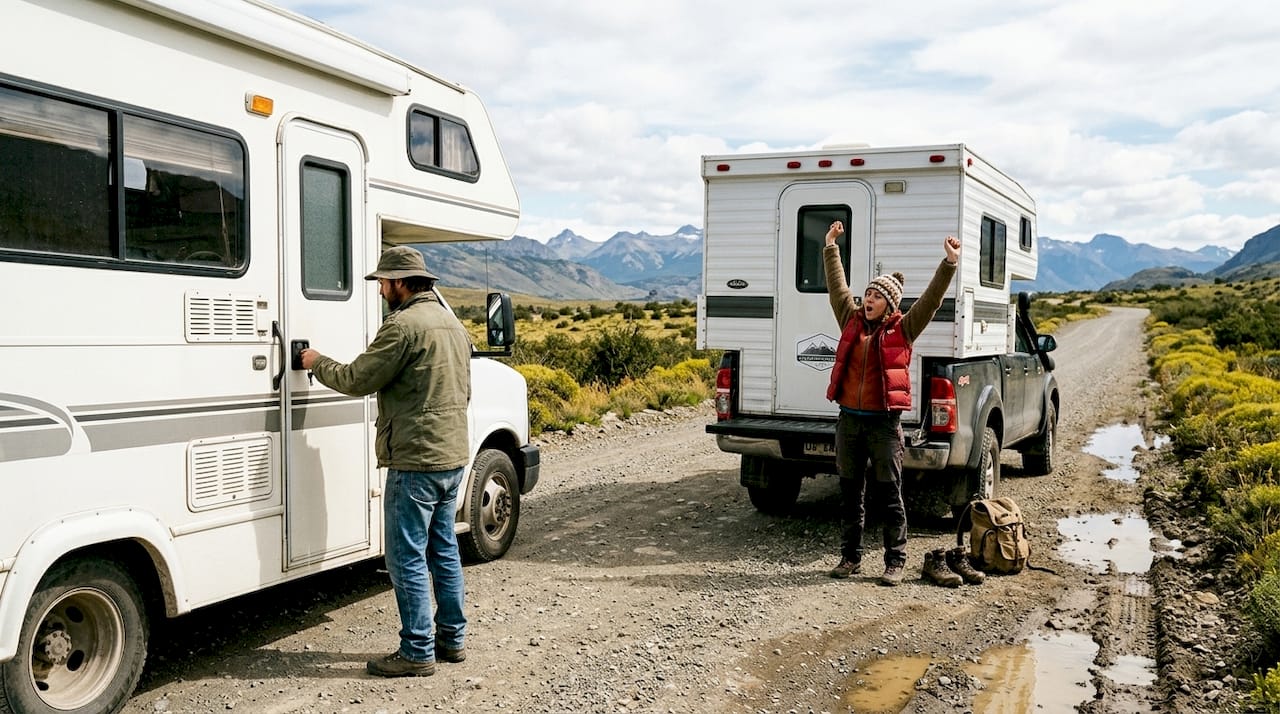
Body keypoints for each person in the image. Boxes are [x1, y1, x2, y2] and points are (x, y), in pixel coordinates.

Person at [299, 245, 472, 677]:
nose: (379, 289)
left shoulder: (402, 327)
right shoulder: (452, 323)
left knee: (406, 557)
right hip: (451, 456)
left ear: (399, 282)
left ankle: (417, 651)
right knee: (444, 550)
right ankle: (452, 640)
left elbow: (357, 378)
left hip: (415, 459)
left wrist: (315, 362)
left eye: (382, 282)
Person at [823, 221, 961, 586]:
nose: (867, 300)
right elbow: (837, 288)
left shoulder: (903, 329)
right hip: (849, 422)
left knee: (889, 494)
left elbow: (931, 302)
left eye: (876, 297)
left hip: (884, 424)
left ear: (890, 305)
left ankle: (895, 562)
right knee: (850, 493)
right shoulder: (850, 321)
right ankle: (850, 558)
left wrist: (949, 264)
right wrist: (831, 247)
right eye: (867, 294)